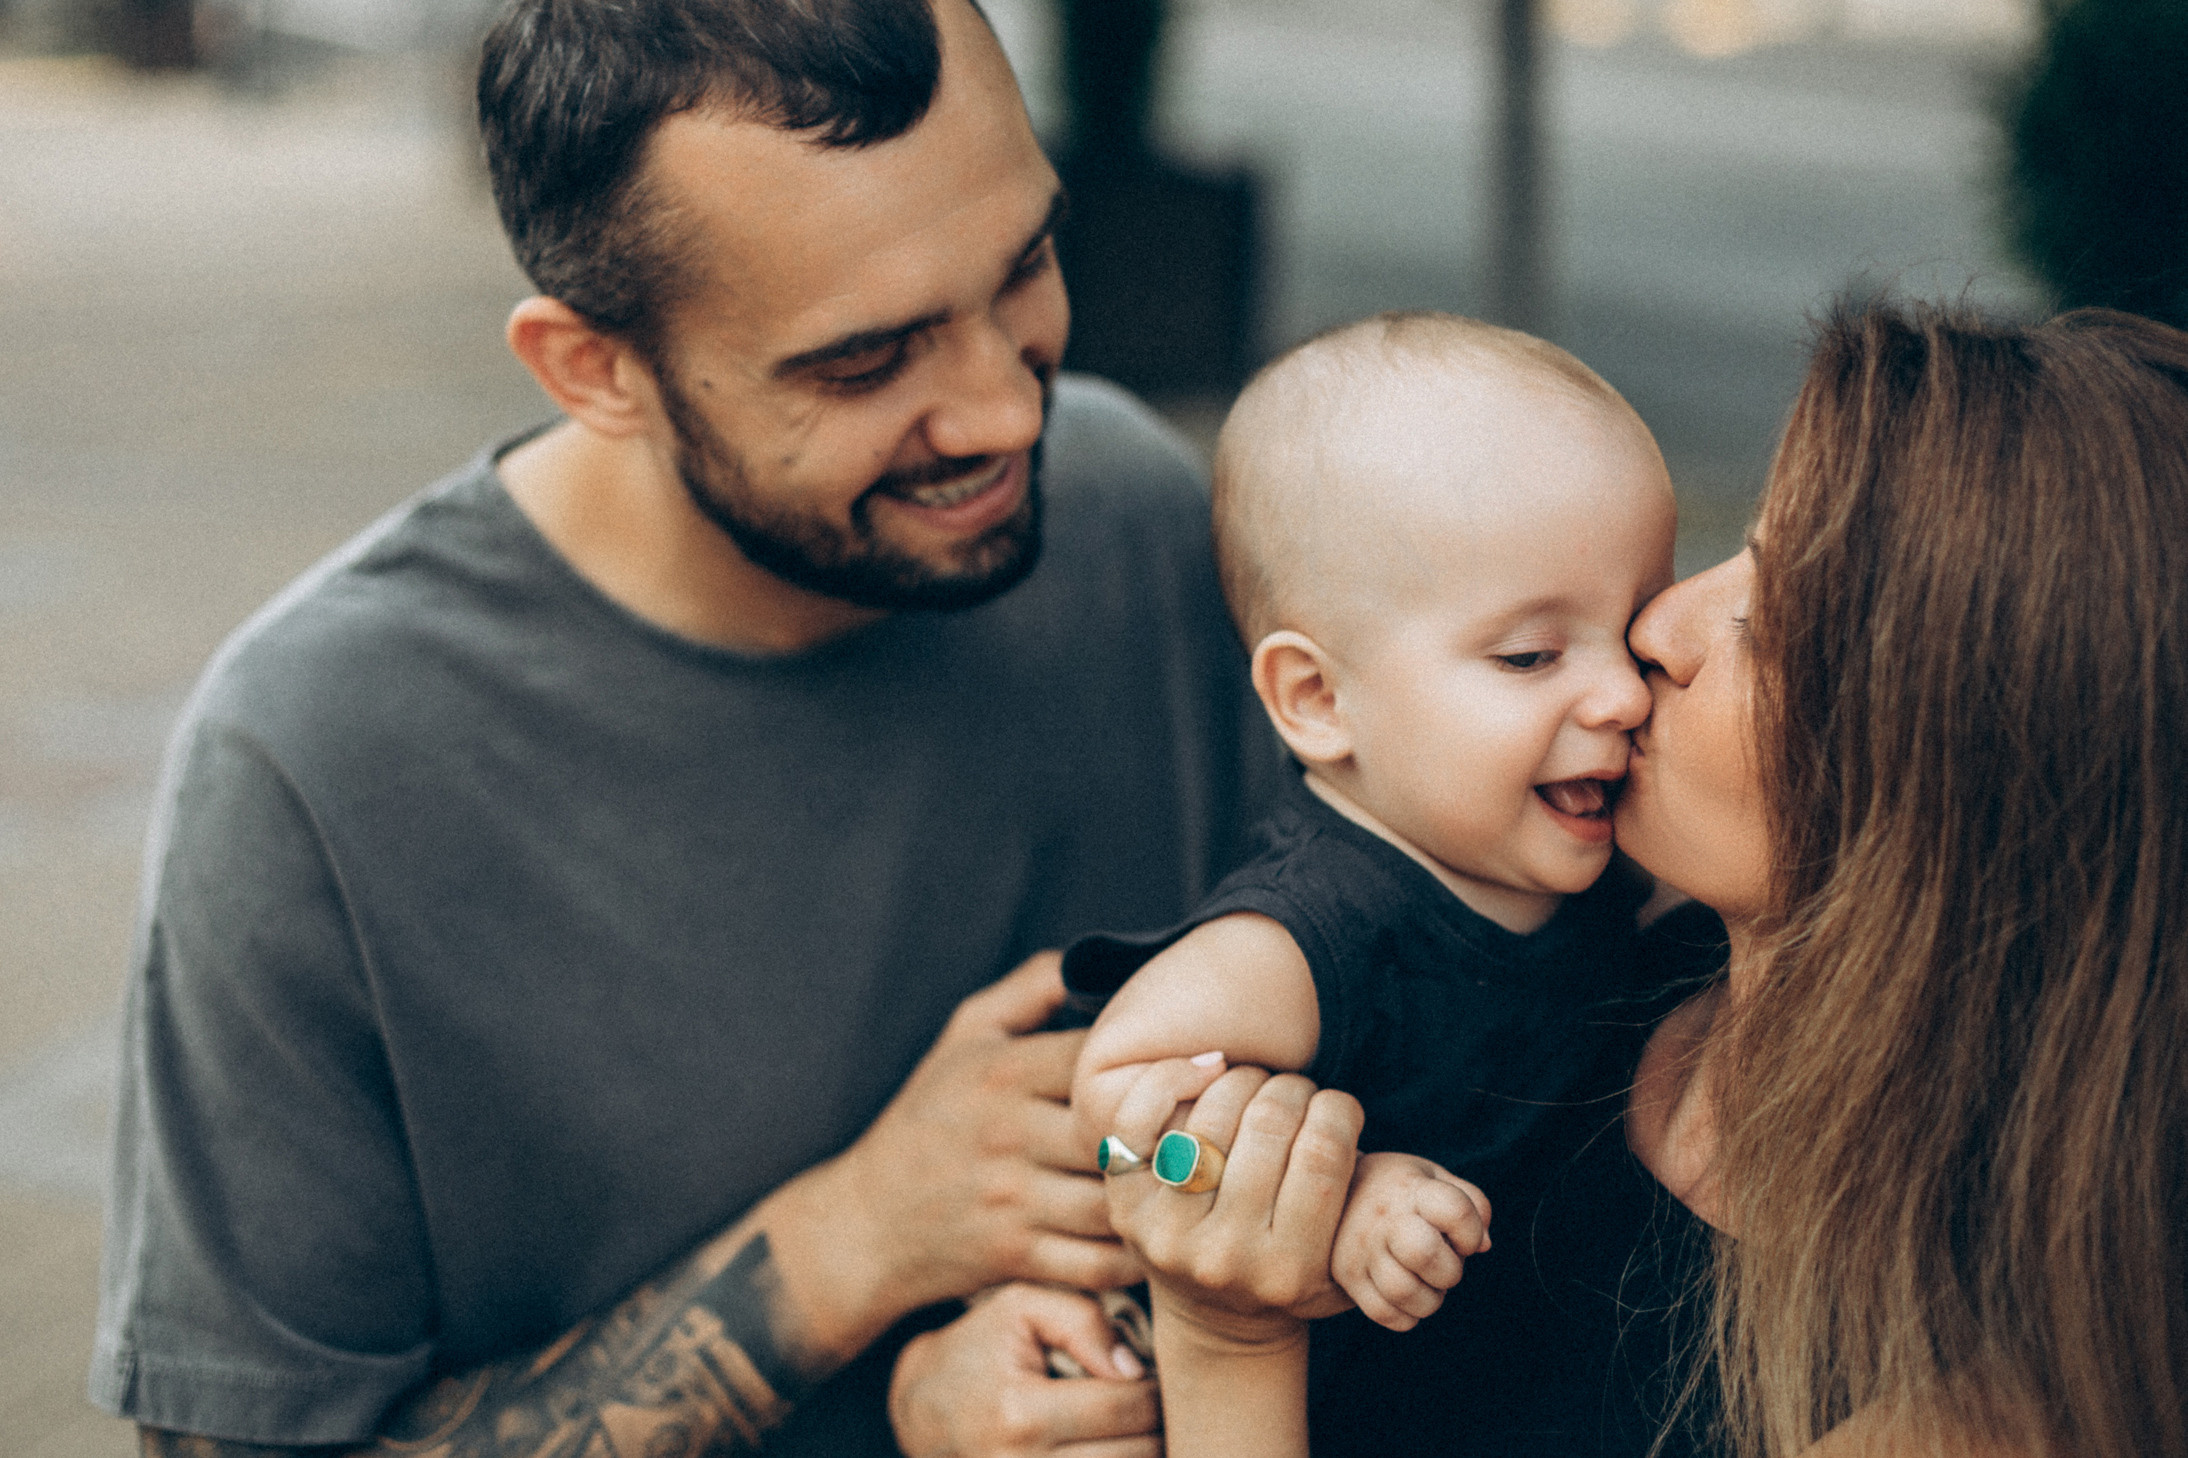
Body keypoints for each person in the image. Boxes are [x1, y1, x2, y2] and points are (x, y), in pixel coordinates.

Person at [92, 2, 1280, 1455]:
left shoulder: (1132, 515)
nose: (1003, 411)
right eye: (865, 361)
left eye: (1025, 263)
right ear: (594, 370)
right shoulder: (313, 759)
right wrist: (854, 1244)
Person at [1096, 301, 2188, 1458]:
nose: (1655, 632)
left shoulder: (1981, 1392)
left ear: (1960, 788)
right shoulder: (1567, 943)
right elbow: (1122, 1123)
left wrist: (1226, 1342)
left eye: (1768, 616)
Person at [1060, 312, 1696, 1453]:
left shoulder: (1562, 857)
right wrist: (1335, 1189)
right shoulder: (1322, 930)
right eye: (1530, 656)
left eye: (1635, 631)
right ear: (1315, 700)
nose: (1620, 696)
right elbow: (1118, 1076)